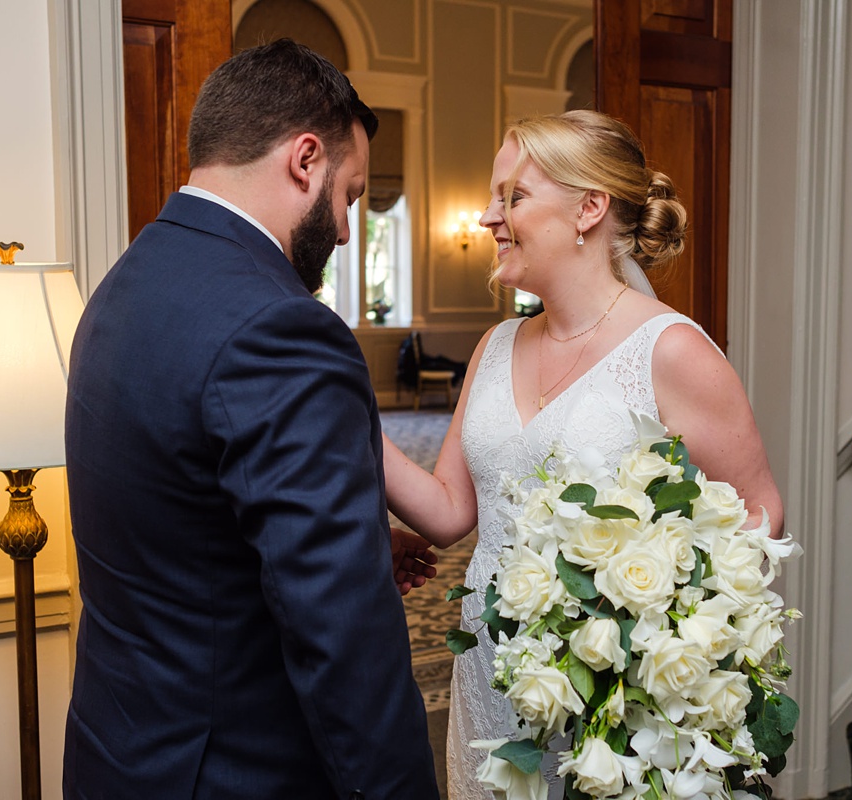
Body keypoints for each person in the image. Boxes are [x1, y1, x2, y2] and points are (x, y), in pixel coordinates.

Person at [63, 40, 439, 799]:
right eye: (352, 197)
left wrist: (355, 532)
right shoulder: (282, 328)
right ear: (305, 159)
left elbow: (182, 517)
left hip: (120, 751)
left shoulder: (124, 282)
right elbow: (344, 644)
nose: (342, 230)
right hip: (233, 771)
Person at [382, 110, 784, 798]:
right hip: (490, 669)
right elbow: (450, 513)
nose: (487, 217)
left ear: (588, 208)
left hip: (611, 690)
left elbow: (757, 512)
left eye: (511, 196)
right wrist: (344, 415)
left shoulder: (672, 350)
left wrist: (656, 632)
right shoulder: (496, 345)